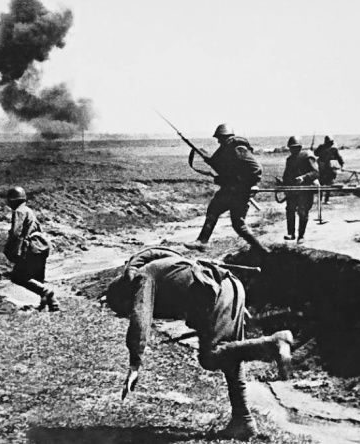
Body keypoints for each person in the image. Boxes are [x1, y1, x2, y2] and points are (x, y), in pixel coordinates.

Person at [106, 247, 294, 440]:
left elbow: (140, 317)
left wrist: (134, 364)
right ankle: (243, 420)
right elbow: (167, 264)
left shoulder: (141, 278)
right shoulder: (164, 265)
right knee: (231, 354)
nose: (128, 312)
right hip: (227, 284)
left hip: (212, 290)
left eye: (124, 309)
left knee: (210, 358)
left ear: (123, 294)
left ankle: (272, 344)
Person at [184, 124, 268, 254]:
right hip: (230, 190)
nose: (218, 141)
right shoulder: (225, 149)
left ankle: (262, 250)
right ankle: (202, 241)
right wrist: (205, 157)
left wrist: (252, 184)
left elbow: (256, 168)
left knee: (237, 224)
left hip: (239, 192)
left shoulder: (238, 148)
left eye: (220, 138)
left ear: (226, 137)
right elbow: (220, 166)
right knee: (215, 212)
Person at [4, 186, 60, 312]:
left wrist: (10, 247)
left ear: (12, 200)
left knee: (18, 277)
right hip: (41, 246)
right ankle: (51, 304)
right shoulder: (28, 210)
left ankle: (47, 292)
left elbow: (16, 233)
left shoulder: (19, 211)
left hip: (31, 247)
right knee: (37, 277)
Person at [282, 136, 319, 244]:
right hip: (292, 190)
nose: (293, 150)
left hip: (305, 190)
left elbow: (316, 172)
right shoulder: (289, 160)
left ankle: (301, 236)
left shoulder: (307, 156)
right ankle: (291, 233)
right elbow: (286, 175)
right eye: (291, 147)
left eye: (296, 147)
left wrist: (304, 177)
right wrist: (283, 183)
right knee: (290, 210)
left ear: (300, 147)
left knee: (303, 212)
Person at [314, 135, 344, 204]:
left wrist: (342, 164)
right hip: (322, 169)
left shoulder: (334, 149)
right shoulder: (321, 147)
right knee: (321, 185)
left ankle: (326, 200)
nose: (329, 144)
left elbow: (339, 157)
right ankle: (320, 200)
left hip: (330, 170)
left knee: (329, 185)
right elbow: (316, 154)